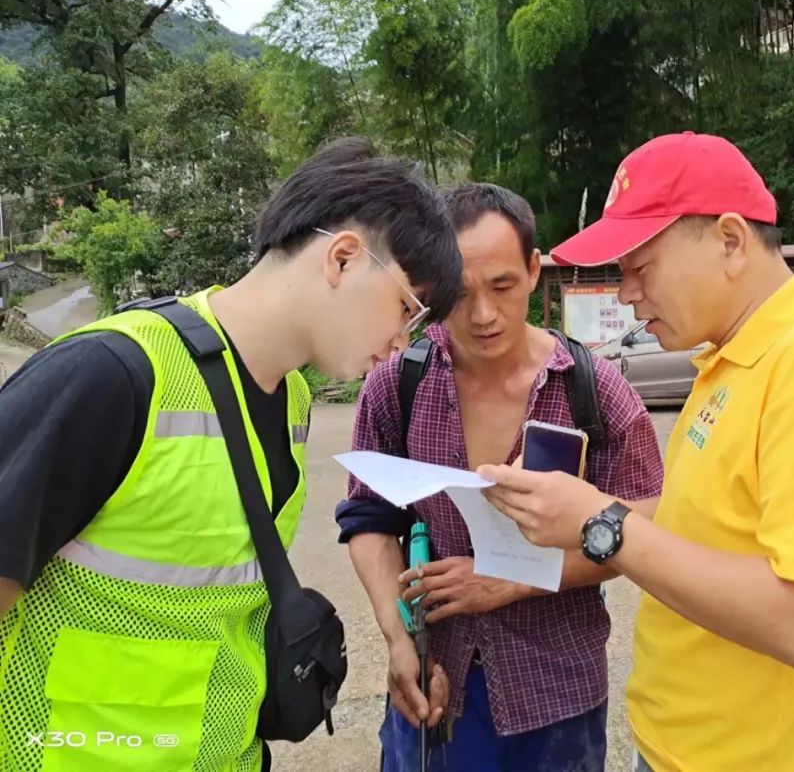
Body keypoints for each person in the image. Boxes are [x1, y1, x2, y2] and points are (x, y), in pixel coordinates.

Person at [0, 137, 463, 771]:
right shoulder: (112, 373)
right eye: (406, 308)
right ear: (344, 258)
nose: (400, 342)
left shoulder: (295, 401)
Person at [480, 132, 794, 772]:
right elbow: (707, 523)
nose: (625, 293)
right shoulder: (731, 359)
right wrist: (577, 508)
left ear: (731, 241)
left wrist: (603, 526)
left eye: (640, 267)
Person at [335, 182, 665, 772]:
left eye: (503, 286)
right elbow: (368, 517)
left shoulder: (592, 390)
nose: (483, 314)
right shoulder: (398, 383)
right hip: (434, 681)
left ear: (535, 270)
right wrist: (396, 637)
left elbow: (645, 527)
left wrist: (512, 579)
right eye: (459, 293)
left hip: (556, 694)